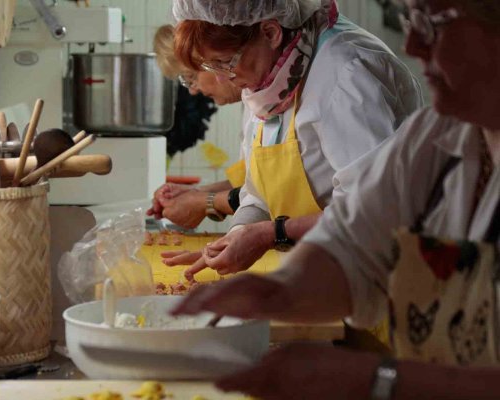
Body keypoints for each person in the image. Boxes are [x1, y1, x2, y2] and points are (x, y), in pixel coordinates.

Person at [171, 0, 500, 398]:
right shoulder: (439, 135)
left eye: (435, 23)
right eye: (411, 21)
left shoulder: (345, 72)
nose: (411, 44)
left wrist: (375, 380)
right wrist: (278, 292)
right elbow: (356, 234)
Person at [171, 0, 423, 281]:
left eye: (225, 63)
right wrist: (233, 238)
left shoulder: (346, 74)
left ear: (270, 32)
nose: (221, 79)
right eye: (211, 66)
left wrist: (272, 233)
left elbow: (374, 211)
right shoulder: (271, 80)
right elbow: (259, 196)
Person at [148, 25, 253, 235]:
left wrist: (204, 201)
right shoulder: (251, 106)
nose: (193, 90)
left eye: (190, 77)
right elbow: (250, 183)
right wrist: (194, 194)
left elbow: (269, 196)